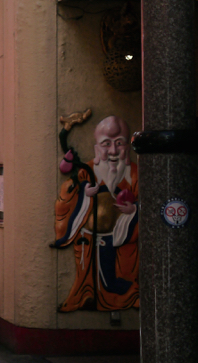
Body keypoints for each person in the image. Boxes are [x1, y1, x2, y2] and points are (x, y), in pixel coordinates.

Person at [54, 114, 139, 312]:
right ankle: (86, 296)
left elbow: (150, 204)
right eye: (106, 143)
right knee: (89, 271)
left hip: (120, 235)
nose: (113, 150)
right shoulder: (87, 171)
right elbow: (67, 197)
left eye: (119, 143)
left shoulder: (135, 173)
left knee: (115, 273)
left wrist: (134, 209)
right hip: (90, 236)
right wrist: (84, 193)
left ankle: (129, 296)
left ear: (127, 146)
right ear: (96, 147)